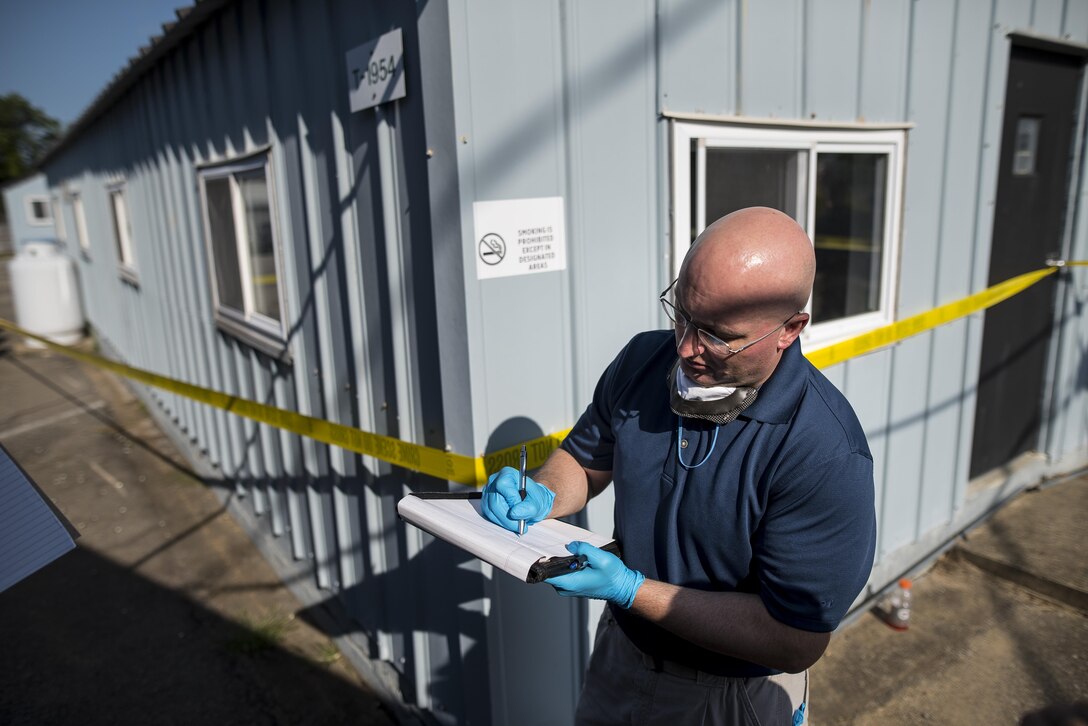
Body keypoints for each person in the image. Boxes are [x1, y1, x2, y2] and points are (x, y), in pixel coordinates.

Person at [480, 207, 877, 725]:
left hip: (733, 691)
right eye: (682, 313)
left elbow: (795, 639)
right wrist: (544, 493)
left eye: (717, 333)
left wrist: (630, 589)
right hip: (622, 653)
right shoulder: (643, 361)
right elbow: (584, 458)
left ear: (790, 329)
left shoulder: (823, 451)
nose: (687, 347)